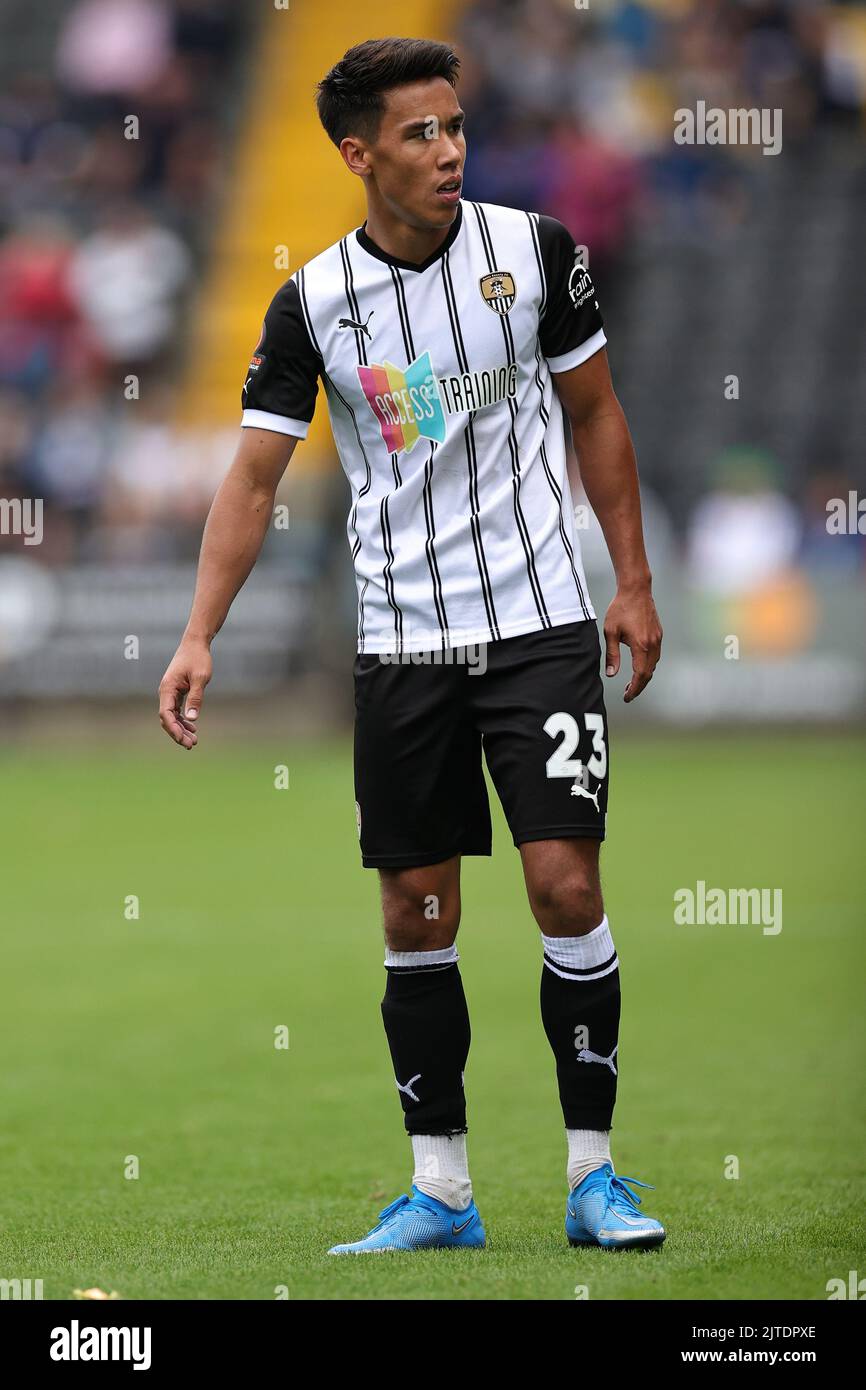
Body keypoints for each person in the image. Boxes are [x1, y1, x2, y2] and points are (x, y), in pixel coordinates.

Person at [158, 37, 664, 1255]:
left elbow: (594, 414)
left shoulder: (535, 254)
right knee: (414, 910)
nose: (449, 151)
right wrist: (196, 632)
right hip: (403, 643)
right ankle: (440, 1191)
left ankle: (593, 1178)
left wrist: (631, 582)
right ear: (356, 153)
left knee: (565, 882)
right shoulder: (313, 303)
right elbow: (252, 475)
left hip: (540, 619)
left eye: (454, 127)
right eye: (419, 134)